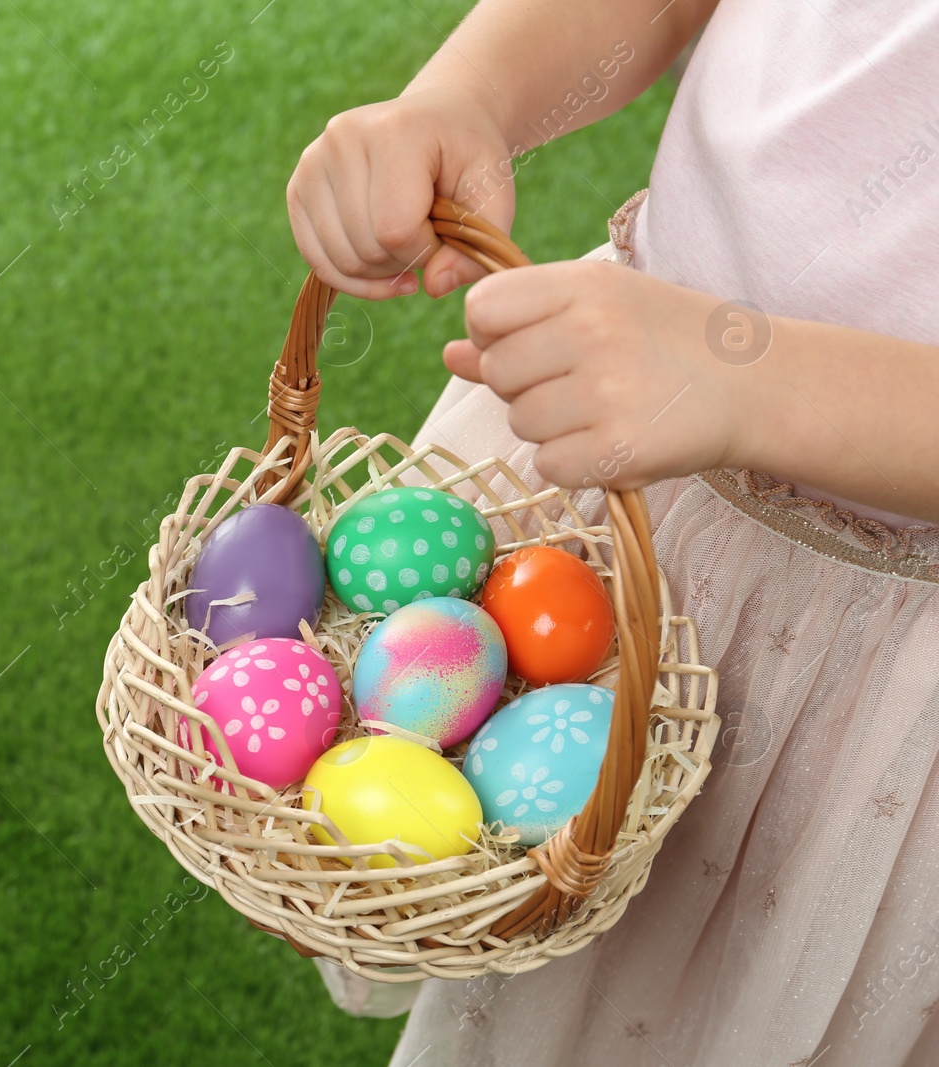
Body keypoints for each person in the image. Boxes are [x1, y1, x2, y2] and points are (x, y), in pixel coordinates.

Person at [286, 1, 939, 1064]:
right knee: (554, 988)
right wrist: (470, 95)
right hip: (623, 459)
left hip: (888, 660)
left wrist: (747, 379)